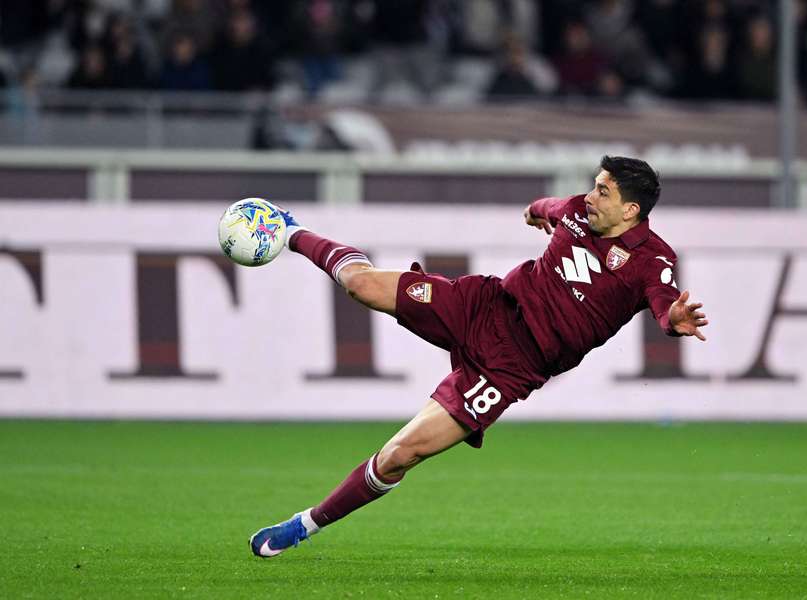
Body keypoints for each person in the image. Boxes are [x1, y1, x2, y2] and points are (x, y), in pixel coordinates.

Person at [249, 155, 709, 557]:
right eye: (593, 184)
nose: (590, 196)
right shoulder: (574, 210)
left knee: (399, 455)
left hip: (511, 369)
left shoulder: (653, 259)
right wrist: (535, 213)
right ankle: (289, 229)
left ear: (631, 210)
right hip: (484, 307)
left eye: (603, 191)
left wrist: (673, 319)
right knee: (361, 285)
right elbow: (547, 208)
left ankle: (306, 523)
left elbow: (662, 300)